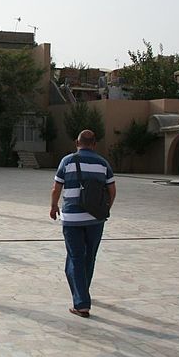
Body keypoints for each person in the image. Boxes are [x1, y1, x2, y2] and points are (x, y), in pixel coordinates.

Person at [50, 129, 116, 318]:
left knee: (75, 258)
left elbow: (56, 187)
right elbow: (112, 190)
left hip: (72, 219)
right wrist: (105, 209)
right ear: (94, 144)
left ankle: (81, 303)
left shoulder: (67, 161)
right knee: (89, 257)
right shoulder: (104, 163)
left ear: (76, 143)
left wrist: (54, 206)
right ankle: (83, 293)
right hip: (96, 220)